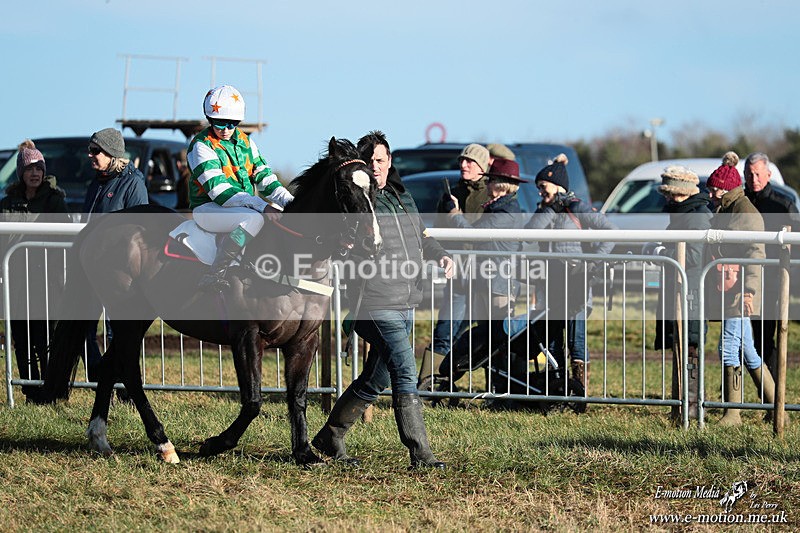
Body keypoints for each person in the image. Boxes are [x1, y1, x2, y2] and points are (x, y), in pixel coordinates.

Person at [312, 131, 454, 469]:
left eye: (381, 160)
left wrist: (441, 255)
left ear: (390, 161)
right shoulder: (360, 199)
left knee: (377, 378)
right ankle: (421, 454)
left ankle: (330, 436)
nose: (376, 167)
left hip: (406, 300)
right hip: (373, 302)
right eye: (370, 160)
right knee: (405, 370)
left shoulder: (402, 196)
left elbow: (422, 236)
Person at [420, 158, 526, 392]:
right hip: (487, 282)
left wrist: (455, 213)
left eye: (491, 181)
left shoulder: (506, 211)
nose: (487, 185)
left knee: (498, 341)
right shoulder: (499, 207)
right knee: (490, 340)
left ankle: (502, 389)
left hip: (498, 285)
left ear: (502, 184)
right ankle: (494, 389)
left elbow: (474, 234)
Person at [187, 84, 294, 291]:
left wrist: (290, 202)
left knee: (281, 215)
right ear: (210, 119)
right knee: (253, 218)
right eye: (220, 123)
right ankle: (215, 273)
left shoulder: (246, 142)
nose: (226, 129)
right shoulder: (201, 146)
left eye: (232, 123)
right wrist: (262, 206)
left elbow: (265, 178)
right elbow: (220, 192)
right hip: (208, 209)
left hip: (241, 208)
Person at [524, 154, 616, 389]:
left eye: (542, 186)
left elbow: (609, 232)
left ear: (557, 186)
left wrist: (593, 264)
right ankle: (556, 386)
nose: (539, 192)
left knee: (576, 340)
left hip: (577, 283)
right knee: (553, 339)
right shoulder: (545, 209)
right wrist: (550, 208)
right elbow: (530, 232)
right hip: (552, 283)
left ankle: (579, 390)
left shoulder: (577, 207)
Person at [705, 151, 781, 426]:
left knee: (728, 347)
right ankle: (776, 406)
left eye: (714, 190)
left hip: (740, 294)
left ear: (725, 190)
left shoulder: (745, 214)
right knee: (747, 349)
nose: (711, 195)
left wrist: (749, 291)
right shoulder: (728, 209)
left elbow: (755, 256)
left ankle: (733, 413)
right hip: (732, 291)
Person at [0, 140, 70, 402]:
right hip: (16, 280)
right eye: (29, 168)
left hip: (46, 280)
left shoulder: (54, 201)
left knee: (47, 339)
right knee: (22, 337)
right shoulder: (7, 203)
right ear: (21, 172)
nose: (35, 173)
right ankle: (30, 390)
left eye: (39, 167)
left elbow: (64, 240)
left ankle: (53, 390)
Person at [419, 143, 490, 386]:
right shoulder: (450, 195)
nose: (463, 165)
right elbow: (439, 235)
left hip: (484, 276)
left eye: (470, 161)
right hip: (458, 275)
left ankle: (497, 388)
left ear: (483, 166)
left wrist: (456, 215)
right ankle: (431, 385)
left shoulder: (491, 196)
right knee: (445, 332)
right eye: (461, 160)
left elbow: (483, 236)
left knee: (489, 336)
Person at [645, 165, 712, 419]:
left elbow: (693, 254)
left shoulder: (696, 215)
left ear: (683, 192)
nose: (668, 199)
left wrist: (663, 254)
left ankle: (691, 410)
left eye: (672, 194)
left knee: (690, 346)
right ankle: (679, 408)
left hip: (691, 291)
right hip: (680, 289)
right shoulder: (681, 212)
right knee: (679, 345)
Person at [83, 127, 150, 382]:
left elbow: (141, 227)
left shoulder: (133, 182)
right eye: (90, 150)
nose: (90, 155)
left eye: (95, 150)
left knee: (117, 330)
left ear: (111, 153)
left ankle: (125, 386)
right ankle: (101, 378)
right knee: (84, 327)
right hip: (93, 268)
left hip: (121, 273)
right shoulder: (96, 181)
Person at [743, 152, 800, 375]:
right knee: (741, 333)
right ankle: (732, 387)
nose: (753, 178)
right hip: (744, 277)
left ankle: (772, 388)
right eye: (749, 174)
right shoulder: (741, 203)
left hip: (773, 278)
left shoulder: (783, 205)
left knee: (766, 334)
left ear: (768, 174)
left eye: (757, 174)